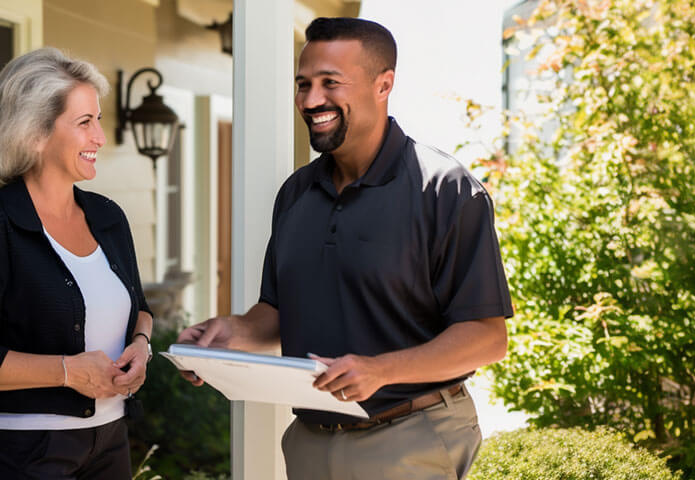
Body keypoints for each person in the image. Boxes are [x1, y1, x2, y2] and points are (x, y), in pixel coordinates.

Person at [178, 17, 513, 480]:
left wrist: (380, 370)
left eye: (330, 84)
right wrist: (226, 336)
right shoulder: (295, 194)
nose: (312, 100)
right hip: (309, 442)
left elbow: (487, 336)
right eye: (303, 84)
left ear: (384, 85)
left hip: (409, 438)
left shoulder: (444, 190)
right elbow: (276, 311)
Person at [0, 48, 154, 480]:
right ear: (34, 133)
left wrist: (142, 347)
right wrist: (68, 372)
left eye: (99, 119)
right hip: (25, 452)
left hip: (110, 439)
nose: (100, 138)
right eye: (84, 122)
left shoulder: (108, 217)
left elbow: (138, 306)